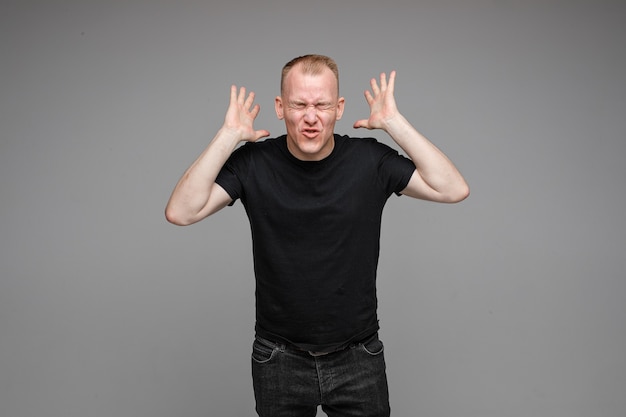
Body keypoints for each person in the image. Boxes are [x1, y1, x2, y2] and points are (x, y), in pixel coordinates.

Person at [165, 54, 469, 417]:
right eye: (299, 105)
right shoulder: (254, 163)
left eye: (322, 105)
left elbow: (453, 189)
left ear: (339, 108)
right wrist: (227, 135)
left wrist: (394, 123)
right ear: (280, 108)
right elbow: (181, 212)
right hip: (278, 358)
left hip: (358, 355)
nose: (311, 117)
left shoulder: (369, 161)